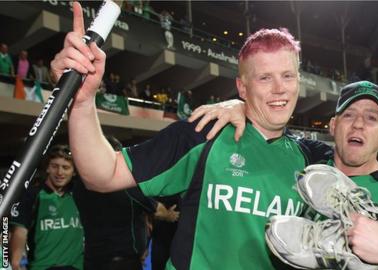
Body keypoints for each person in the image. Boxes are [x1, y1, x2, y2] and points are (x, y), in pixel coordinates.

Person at [50, 2, 330, 269]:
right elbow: (102, 174)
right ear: (242, 88)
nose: (280, 88)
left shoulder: (314, 162)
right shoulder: (202, 134)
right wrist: (83, 102)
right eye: (265, 78)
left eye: (288, 76)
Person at [190, 81, 378, 269]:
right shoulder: (303, 158)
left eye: (371, 118)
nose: (358, 124)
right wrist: (239, 106)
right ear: (333, 126)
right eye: (349, 115)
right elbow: (266, 131)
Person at [72, 136, 158, 270]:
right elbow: (159, 211)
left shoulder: (79, 185)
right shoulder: (126, 186)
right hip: (122, 262)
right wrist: (172, 214)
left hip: (92, 259)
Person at [9, 145, 83, 270]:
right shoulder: (33, 195)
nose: (60, 172)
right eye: (54, 166)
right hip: (42, 267)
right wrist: (17, 262)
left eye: (66, 167)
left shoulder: (80, 194)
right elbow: (20, 231)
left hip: (76, 267)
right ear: (47, 168)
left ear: (74, 171)